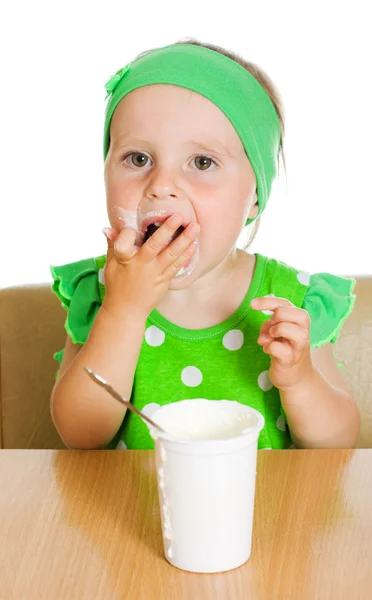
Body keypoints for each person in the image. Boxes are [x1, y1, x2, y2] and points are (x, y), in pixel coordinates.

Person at [49, 39, 360, 451]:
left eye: (202, 162)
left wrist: (299, 380)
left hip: (263, 511)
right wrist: (122, 312)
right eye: (138, 159)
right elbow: (81, 435)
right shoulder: (100, 292)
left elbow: (338, 444)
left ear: (253, 199)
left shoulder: (293, 300)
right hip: (139, 510)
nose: (161, 186)